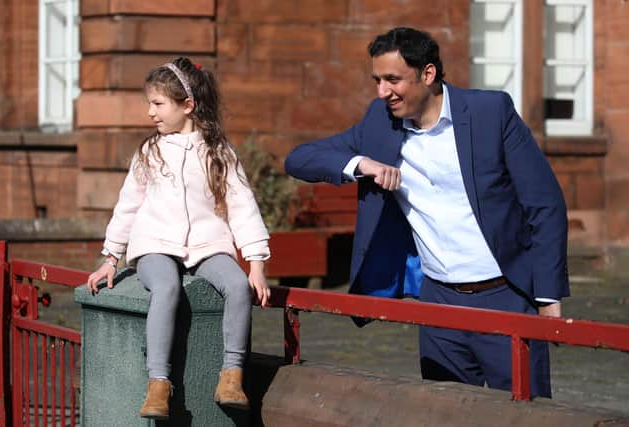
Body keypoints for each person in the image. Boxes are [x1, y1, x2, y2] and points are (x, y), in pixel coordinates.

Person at [284, 27, 569, 398]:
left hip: (507, 297)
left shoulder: (489, 113)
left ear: (428, 74)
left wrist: (547, 298)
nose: (382, 91)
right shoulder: (379, 121)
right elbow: (299, 159)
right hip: (437, 304)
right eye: (377, 80)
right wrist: (362, 163)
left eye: (392, 80)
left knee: (527, 417)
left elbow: (544, 203)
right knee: (443, 412)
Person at [86, 57, 271, 419]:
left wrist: (257, 264)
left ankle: (231, 376)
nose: (150, 112)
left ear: (187, 105)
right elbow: (127, 206)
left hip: (207, 244)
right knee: (167, 287)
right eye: (150, 103)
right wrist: (111, 258)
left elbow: (242, 206)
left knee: (236, 286)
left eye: (158, 104)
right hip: (155, 243)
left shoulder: (219, 152)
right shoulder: (149, 152)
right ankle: (158, 383)